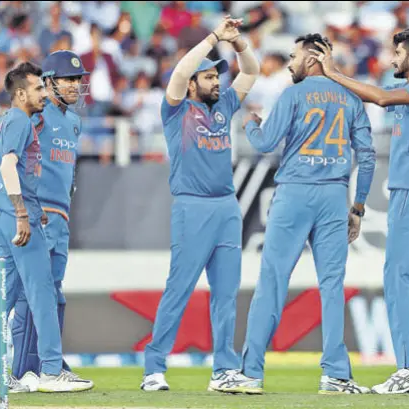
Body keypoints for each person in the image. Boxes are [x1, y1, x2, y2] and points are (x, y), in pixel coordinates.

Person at [213, 33, 375, 395]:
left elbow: (266, 143)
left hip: (295, 194)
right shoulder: (351, 97)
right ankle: (336, 375)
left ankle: (251, 373)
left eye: (294, 56)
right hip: (335, 196)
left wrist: (251, 124)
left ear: (313, 59)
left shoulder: (293, 94)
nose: (289, 62)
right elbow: (366, 156)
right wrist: (358, 206)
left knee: (272, 283)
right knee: (332, 287)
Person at [312, 27, 409, 394]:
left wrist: (333, 73)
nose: (392, 59)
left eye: (397, 52)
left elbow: (383, 99)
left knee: (397, 276)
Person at [141, 15, 260, 392]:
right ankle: (154, 368)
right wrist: (212, 38)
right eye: (209, 76)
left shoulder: (224, 104)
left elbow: (252, 71)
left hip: (227, 207)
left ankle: (224, 370)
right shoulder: (176, 109)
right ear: (193, 82)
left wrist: (237, 43)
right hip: (191, 208)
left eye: (217, 76)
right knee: (179, 289)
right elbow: (179, 73)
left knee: (226, 294)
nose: (216, 81)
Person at [0, 61, 86, 393]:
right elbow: (9, 164)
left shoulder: (6, 121)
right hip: (15, 215)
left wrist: (4, 195)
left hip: (1, 213)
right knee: (42, 293)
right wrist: (23, 212)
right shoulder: (22, 121)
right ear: (22, 93)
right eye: (39, 88)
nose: (43, 93)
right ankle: (51, 371)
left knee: (3, 297)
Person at [9, 50, 94, 392]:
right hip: (38, 213)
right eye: (68, 79)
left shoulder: (74, 122)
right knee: (31, 297)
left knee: (54, 295)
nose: (75, 85)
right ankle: (20, 371)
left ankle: (49, 365)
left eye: (78, 79)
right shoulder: (34, 117)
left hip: (61, 215)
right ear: (49, 83)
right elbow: (3, 153)